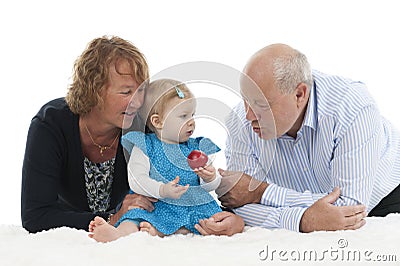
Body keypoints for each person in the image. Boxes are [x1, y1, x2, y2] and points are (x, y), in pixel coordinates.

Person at [215, 43, 400, 233]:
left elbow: (349, 209)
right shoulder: (240, 121)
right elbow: (239, 203)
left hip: (386, 200)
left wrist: (261, 192)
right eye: (245, 100)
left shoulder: (351, 105)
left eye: (261, 104)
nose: (249, 116)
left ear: (299, 94)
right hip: (307, 207)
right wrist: (303, 220)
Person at [21, 36, 153, 233]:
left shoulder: (145, 127)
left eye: (141, 91)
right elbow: (36, 216)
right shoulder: (50, 124)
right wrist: (111, 217)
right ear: (94, 90)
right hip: (68, 246)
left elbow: (179, 187)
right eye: (126, 92)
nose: (138, 102)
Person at [88, 79, 244, 242]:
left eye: (192, 115)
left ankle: (164, 231)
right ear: (158, 121)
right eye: (183, 116)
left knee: (211, 222)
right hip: (157, 205)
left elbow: (210, 187)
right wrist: (161, 190)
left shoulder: (196, 148)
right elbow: (136, 180)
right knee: (133, 218)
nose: (191, 121)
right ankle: (117, 234)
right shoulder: (145, 146)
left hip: (192, 204)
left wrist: (210, 177)